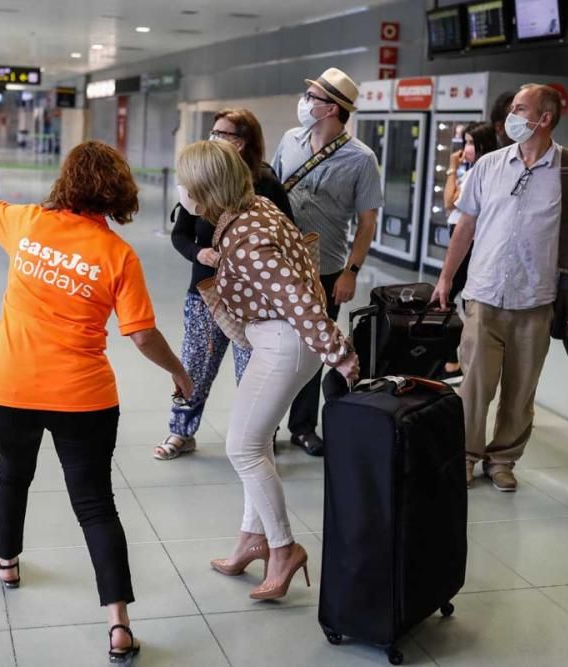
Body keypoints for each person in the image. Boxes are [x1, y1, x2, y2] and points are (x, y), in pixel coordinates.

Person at [0, 141, 193, 662]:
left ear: (66, 182)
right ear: (117, 191)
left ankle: (7, 564)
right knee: (94, 504)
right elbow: (140, 334)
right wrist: (178, 371)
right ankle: (118, 626)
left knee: (12, 473)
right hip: (82, 398)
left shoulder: (27, 224)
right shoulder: (117, 255)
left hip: (6, 390)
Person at [176, 140, 359, 600]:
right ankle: (251, 540)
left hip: (284, 342)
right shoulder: (254, 208)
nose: (180, 189)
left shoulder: (246, 239)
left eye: (185, 182)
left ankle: (282, 548)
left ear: (204, 188)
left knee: (242, 448)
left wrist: (341, 354)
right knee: (255, 443)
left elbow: (297, 300)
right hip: (280, 341)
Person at [431, 84, 568, 492]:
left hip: (536, 300)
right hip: (484, 294)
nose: (511, 115)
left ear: (543, 119)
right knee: (474, 386)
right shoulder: (488, 165)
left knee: (520, 392)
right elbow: (466, 226)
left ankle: (503, 459)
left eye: (520, 109)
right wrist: (446, 277)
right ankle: (467, 457)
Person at [156, 108, 294, 461]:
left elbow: (284, 237)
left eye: (223, 133)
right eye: (213, 132)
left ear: (242, 141)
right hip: (205, 293)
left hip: (253, 301)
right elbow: (181, 234)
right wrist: (198, 253)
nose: (214, 139)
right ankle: (181, 432)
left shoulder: (265, 184)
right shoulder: (202, 177)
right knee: (195, 365)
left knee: (253, 373)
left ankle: (260, 440)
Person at [271, 67, 383, 457]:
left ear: (332, 108)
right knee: (271, 345)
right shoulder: (289, 140)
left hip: (327, 267)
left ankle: (302, 426)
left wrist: (351, 272)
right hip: (278, 263)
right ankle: (265, 425)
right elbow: (268, 190)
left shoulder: (362, 159)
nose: (305, 104)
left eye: (313, 98)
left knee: (314, 348)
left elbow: (367, 221)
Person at [438, 121, 499, 384]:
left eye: (472, 143)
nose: (466, 149)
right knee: (456, 300)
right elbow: (449, 205)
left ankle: (454, 361)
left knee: (447, 299)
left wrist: (452, 167)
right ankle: (454, 360)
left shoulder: (482, 172)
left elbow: (450, 201)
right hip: (459, 237)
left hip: (472, 242)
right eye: (465, 143)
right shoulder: (471, 171)